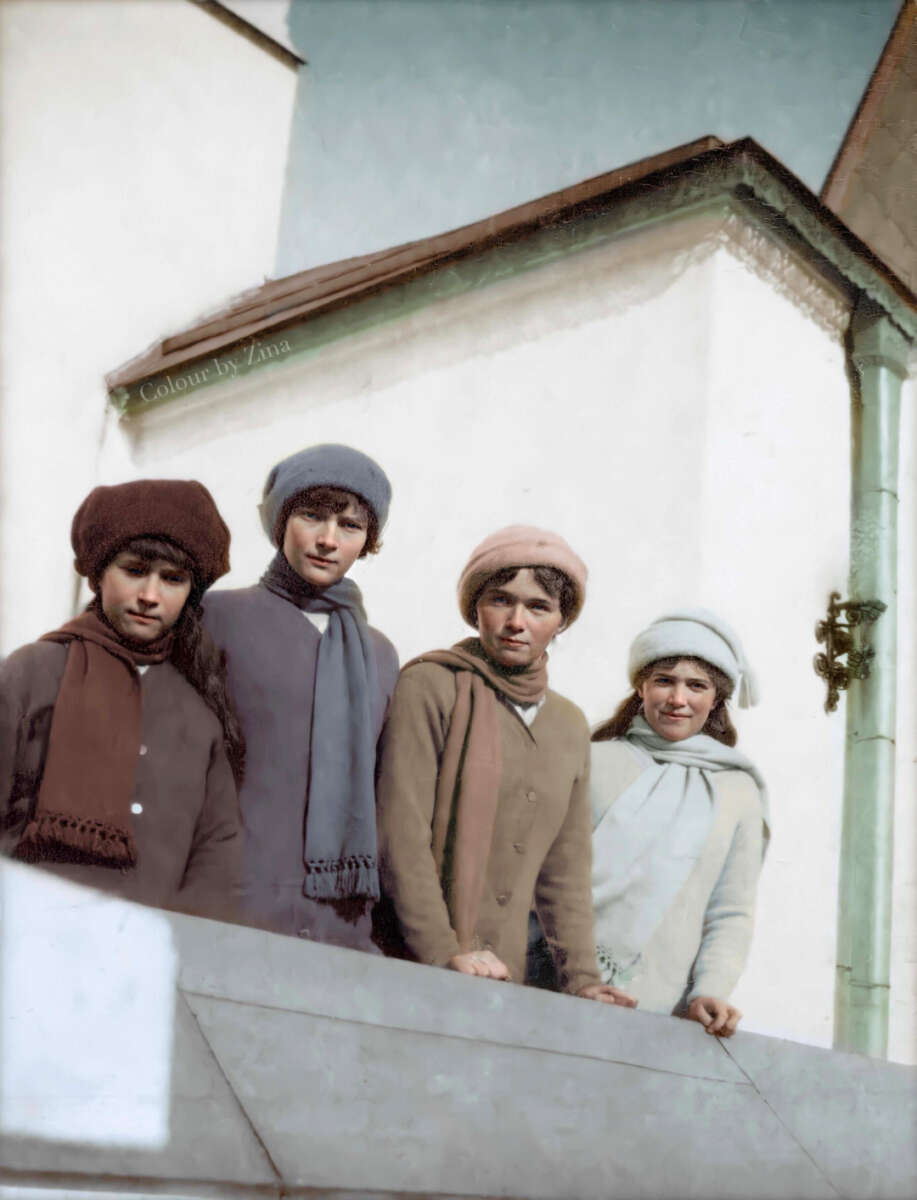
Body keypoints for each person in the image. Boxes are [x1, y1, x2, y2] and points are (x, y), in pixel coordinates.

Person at [375, 525, 635, 1006]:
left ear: (561, 621)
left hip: (503, 979)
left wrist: (583, 979)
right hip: (413, 962)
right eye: (501, 600)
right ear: (476, 606)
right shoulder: (431, 685)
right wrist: (443, 952)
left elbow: (566, 870)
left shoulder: (569, 725)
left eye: (539, 607)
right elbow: (400, 833)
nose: (517, 620)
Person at [0, 479, 243, 919]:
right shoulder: (30, 673)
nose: (150, 596)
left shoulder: (199, 716)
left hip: (146, 961)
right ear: (98, 573)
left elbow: (216, 857)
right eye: (133, 571)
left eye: (172, 580)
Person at [203, 443, 399, 950]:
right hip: (231, 902)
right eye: (312, 516)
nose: (328, 540)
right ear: (280, 520)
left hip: (340, 924)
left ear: (368, 541)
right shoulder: (217, 618)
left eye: (350, 526)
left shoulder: (378, 655)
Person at [589, 609, 769, 1036]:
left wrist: (710, 989)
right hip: (563, 983)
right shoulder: (593, 760)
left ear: (716, 698)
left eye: (697, 685)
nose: (678, 699)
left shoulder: (738, 791)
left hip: (663, 1007)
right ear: (641, 686)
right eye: (664, 680)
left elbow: (731, 911)